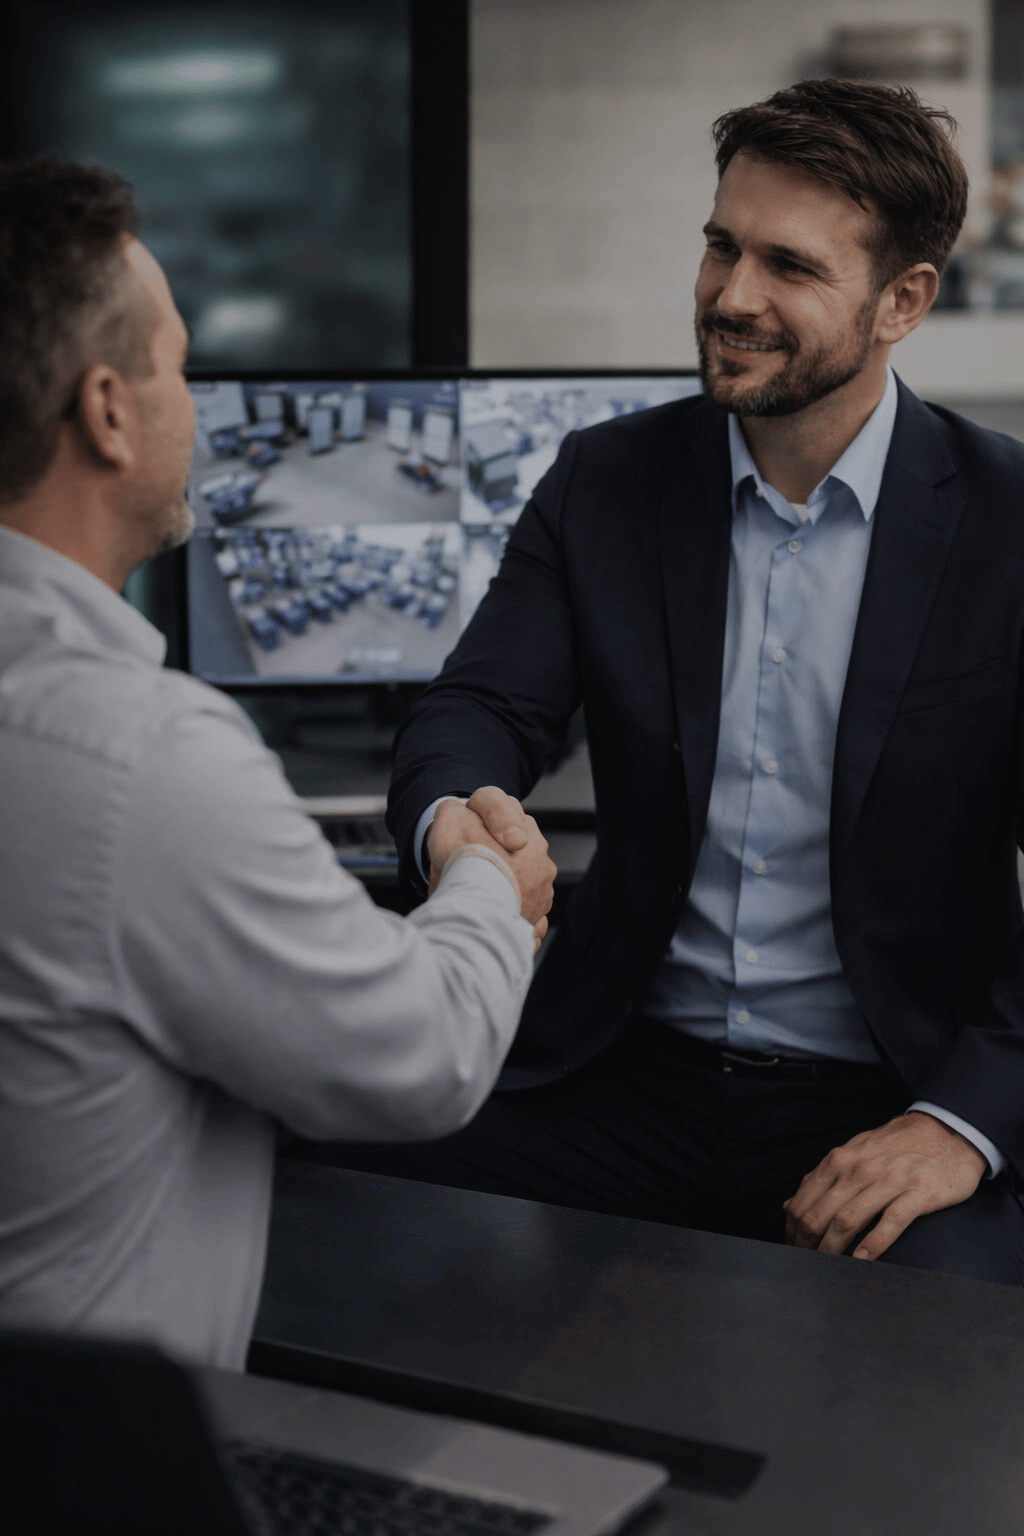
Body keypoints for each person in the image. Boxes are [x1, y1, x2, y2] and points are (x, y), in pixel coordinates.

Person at [311, 79, 1024, 1287]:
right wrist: (457, 833)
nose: (730, 297)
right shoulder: (606, 480)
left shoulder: (1009, 519)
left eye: (787, 266)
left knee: (942, 1373)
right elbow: (477, 709)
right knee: (299, 1167)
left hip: (891, 1091)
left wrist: (962, 1125)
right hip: (615, 1070)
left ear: (902, 300)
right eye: (718, 246)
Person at [0, 156, 556, 1368]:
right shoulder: (142, 759)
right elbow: (421, 1055)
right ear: (107, 410)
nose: (195, 405)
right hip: (89, 1469)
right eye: (180, 365)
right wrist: (488, 889)